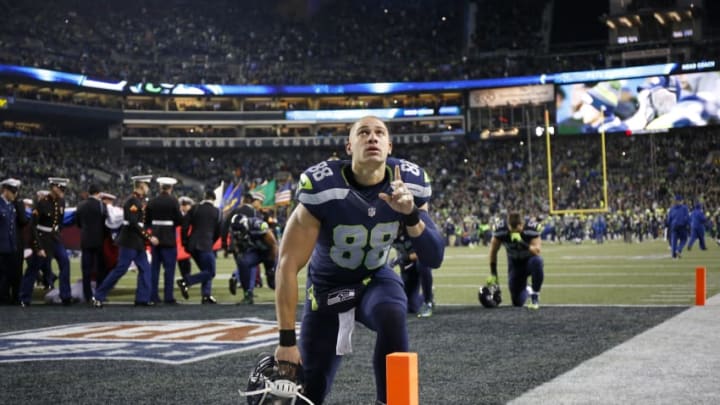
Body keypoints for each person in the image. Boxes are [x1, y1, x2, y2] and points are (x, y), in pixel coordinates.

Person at [274, 116, 445, 405]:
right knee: (310, 392)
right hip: (327, 287)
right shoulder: (323, 186)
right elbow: (287, 265)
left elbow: (434, 256)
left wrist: (411, 215)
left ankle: (390, 402)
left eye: (379, 132)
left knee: (393, 312)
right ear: (349, 146)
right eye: (363, 132)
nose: (372, 137)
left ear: (389, 146)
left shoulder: (408, 183)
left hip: (374, 278)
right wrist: (286, 342)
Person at [92, 175, 159, 307]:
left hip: (136, 242)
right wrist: (149, 237)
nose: (148, 188)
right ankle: (98, 296)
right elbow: (134, 223)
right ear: (141, 186)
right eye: (147, 185)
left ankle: (142, 299)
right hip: (129, 242)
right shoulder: (133, 201)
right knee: (121, 270)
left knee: (145, 268)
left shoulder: (137, 200)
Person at [20, 177, 73, 306]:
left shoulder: (61, 201)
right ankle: (24, 298)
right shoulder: (42, 203)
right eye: (61, 188)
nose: (63, 191)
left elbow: (59, 222)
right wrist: (38, 247)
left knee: (65, 262)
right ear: (53, 187)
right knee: (34, 267)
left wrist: (58, 233)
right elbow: (33, 226)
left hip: (55, 238)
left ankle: (65, 296)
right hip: (42, 239)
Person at [487, 212, 544, 310]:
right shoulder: (501, 230)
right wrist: (493, 274)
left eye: (517, 230)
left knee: (537, 261)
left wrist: (522, 242)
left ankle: (535, 297)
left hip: (529, 261)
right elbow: (493, 252)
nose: (514, 233)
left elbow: (537, 251)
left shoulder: (531, 229)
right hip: (514, 264)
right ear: (508, 225)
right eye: (511, 230)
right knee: (517, 302)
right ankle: (527, 288)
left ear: (522, 225)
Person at [177, 190, 220, 304]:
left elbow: (184, 226)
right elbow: (218, 231)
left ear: (204, 197)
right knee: (210, 272)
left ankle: (206, 295)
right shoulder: (216, 211)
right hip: (205, 244)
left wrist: (185, 242)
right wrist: (211, 242)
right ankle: (186, 281)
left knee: (205, 270)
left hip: (192, 244)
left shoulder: (195, 208)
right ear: (213, 199)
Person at [226, 213, 278, 305]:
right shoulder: (234, 229)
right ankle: (247, 295)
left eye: (240, 230)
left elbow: (273, 245)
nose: (238, 233)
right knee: (243, 262)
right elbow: (237, 247)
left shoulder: (257, 225)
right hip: (255, 251)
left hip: (269, 252)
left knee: (273, 283)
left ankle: (286, 295)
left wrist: (271, 265)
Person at [146, 177, 183, 304]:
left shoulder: (152, 201)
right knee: (169, 270)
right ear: (171, 188)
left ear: (160, 187)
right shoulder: (173, 201)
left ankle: (153, 296)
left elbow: (147, 222)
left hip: (155, 238)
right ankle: (168, 297)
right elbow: (179, 220)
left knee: (154, 270)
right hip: (169, 239)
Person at [390, 224, 435, 317]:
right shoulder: (389, 235)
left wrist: (401, 258)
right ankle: (422, 298)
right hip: (407, 266)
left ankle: (428, 300)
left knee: (422, 264)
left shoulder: (411, 230)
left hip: (420, 261)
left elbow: (422, 252)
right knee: (411, 306)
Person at [74, 184, 107, 303]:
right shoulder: (102, 206)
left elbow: (77, 223)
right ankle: (99, 294)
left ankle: (87, 295)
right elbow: (106, 223)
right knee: (99, 269)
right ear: (98, 193)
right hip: (99, 240)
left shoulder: (81, 205)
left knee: (86, 269)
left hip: (85, 240)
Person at [0, 178, 24, 304]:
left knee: (8, 274)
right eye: (13, 191)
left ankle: (5, 298)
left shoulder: (10, 206)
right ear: (5, 190)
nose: (15, 194)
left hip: (9, 246)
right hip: (1, 246)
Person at [176, 196, 194, 280]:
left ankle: (187, 278)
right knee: (183, 261)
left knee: (185, 262)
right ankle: (187, 278)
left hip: (186, 242)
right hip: (179, 242)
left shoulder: (189, 215)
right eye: (188, 205)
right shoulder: (179, 215)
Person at [667, 195, 690, 259]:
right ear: (680, 201)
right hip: (682, 226)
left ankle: (673, 255)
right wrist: (688, 225)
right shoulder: (684, 208)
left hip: (674, 226)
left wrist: (668, 225)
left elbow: (669, 219)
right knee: (684, 239)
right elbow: (687, 217)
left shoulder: (672, 208)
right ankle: (679, 250)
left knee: (674, 241)